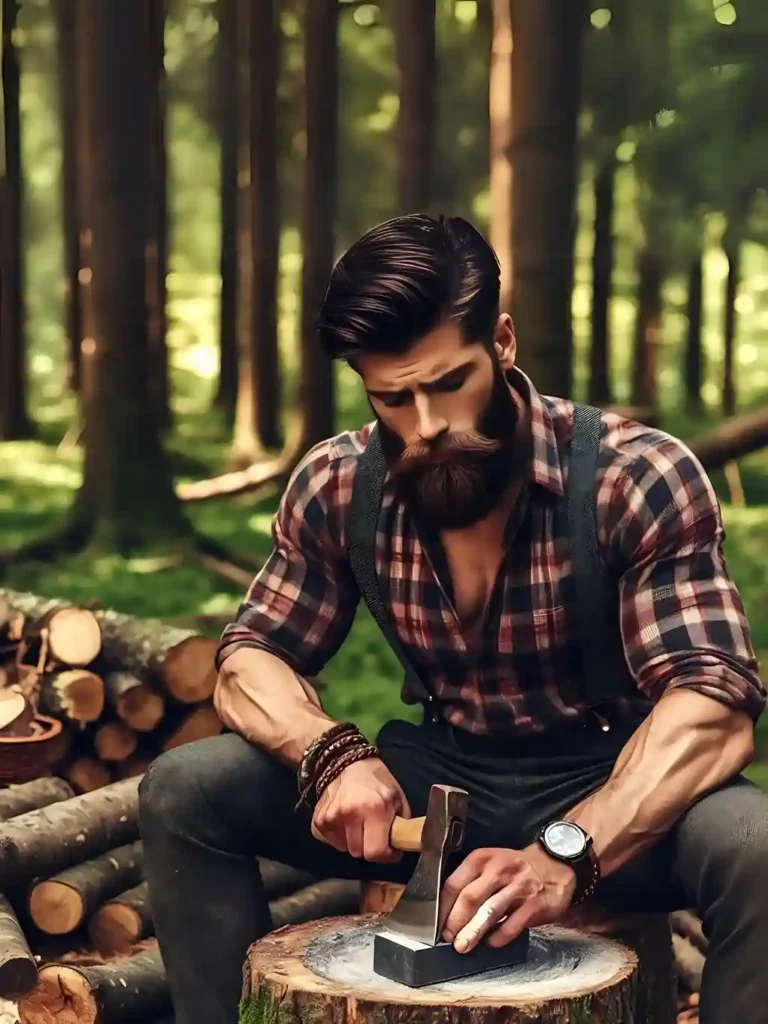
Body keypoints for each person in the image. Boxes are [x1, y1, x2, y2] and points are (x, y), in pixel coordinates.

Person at [139, 214, 767, 1024]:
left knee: (755, 846)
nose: (426, 423)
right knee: (187, 789)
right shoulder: (338, 484)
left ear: (502, 340)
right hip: (436, 791)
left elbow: (711, 707)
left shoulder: (635, 474)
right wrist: (326, 751)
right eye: (392, 397)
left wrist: (568, 850)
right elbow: (247, 657)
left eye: (447, 384)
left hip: (610, 783)